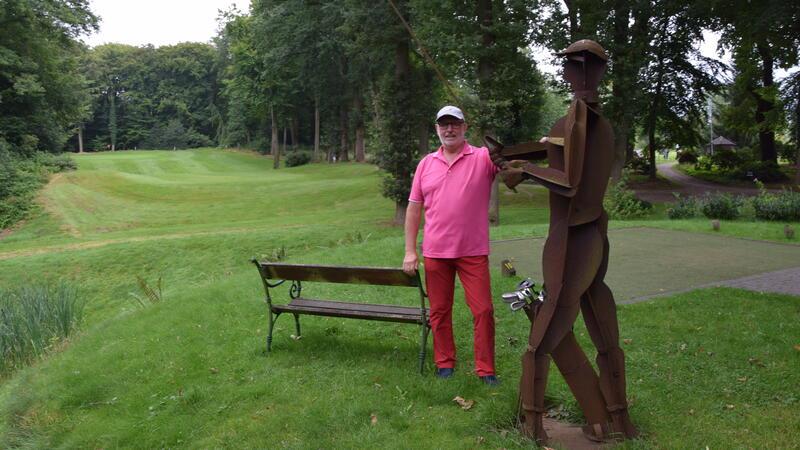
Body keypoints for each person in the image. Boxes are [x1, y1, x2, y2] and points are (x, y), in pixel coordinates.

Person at [403, 105, 499, 385]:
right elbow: (413, 209)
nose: (449, 129)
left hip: (472, 251)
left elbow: (512, 162)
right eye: (443, 125)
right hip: (435, 251)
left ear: (464, 127)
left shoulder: (482, 157)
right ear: (437, 129)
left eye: (454, 124)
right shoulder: (426, 163)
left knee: (483, 310)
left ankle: (486, 369)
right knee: (440, 311)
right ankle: (444, 363)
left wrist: (542, 147)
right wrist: (410, 250)